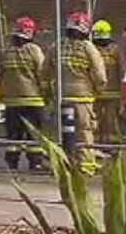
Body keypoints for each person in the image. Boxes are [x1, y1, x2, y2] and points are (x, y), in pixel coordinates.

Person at [41, 11, 107, 175]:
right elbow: (99, 74)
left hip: (61, 97)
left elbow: (45, 71)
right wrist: (99, 90)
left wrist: (47, 92)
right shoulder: (88, 48)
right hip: (83, 98)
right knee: (84, 132)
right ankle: (86, 165)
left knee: (60, 132)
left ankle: (61, 165)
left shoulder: (56, 46)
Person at [0, 16, 47, 172]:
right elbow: (43, 73)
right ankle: (35, 163)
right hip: (33, 100)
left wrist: (1, 93)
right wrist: (47, 92)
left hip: (11, 103)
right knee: (34, 134)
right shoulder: (34, 50)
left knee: (13, 135)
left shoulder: (4, 52)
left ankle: (12, 163)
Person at [91, 19, 123, 145]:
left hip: (112, 92)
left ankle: (113, 145)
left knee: (111, 120)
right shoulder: (92, 49)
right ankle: (96, 143)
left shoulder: (115, 50)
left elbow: (121, 70)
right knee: (96, 120)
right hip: (96, 92)